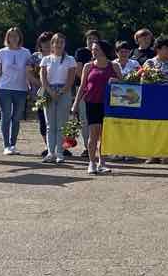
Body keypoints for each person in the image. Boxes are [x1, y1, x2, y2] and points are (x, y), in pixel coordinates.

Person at [0, 27, 33, 155]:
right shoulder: (2, 52)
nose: (13, 38)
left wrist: (30, 87)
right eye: (11, 36)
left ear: (20, 37)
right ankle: (6, 145)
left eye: (16, 36)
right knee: (6, 116)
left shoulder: (26, 52)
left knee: (16, 117)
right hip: (4, 88)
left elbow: (29, 71)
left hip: (21, 89)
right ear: (7, 38)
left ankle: (13, 145)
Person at [77, 40, 119, 174]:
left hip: (109, 104)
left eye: (96, 49)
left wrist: (116, 80)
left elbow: (123, 84)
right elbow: (82, 86)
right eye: (92, 49)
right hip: (92, 102)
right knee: (93, 134)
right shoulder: (88, 66)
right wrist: (75, 104)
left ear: (103, 50)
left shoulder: (114, 65)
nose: (93, 51)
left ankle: (102, 162)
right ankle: (92, 163)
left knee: (104, 135)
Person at [38, 33, 78, 164]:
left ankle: (60, 153)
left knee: (61, 125)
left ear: (64, 44)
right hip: (48, 92)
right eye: (56, 42)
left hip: (64, 92)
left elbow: (71, 79)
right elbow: (43, 78)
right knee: (50, 125)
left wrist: (61, 91)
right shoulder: (46, 59)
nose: (59, 45)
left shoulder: (70, 59)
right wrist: (50, 91)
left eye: (61, 42)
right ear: (52, 44)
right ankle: (50, 153)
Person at [29, 31, 54, 158]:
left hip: (56, 92)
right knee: (43, 120)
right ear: (40, 44)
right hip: (39, 93)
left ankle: (59, 145)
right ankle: (48, 146)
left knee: (58, 120)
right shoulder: (34, 57)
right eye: (44, 42)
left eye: (50, 42)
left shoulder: (59, 57)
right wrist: (42, 85)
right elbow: (28, 74)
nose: (47, 45)